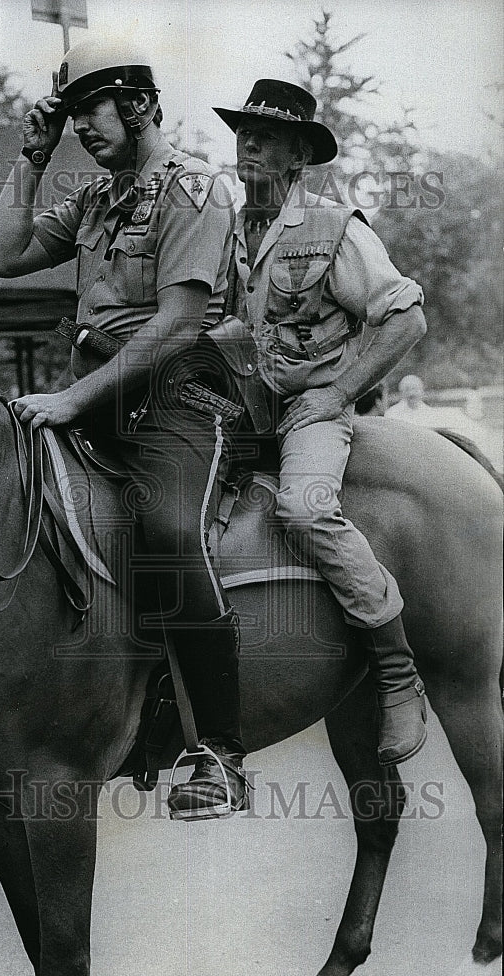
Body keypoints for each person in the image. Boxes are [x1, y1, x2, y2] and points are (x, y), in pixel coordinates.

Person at [0, 37, 248, 818]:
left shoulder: (194, 189)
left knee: (165, 530)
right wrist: (30, 160)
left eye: (88, 111)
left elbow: (177, 321)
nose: (79, 130)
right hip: (97, 393)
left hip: (178, 398)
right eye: (68, 119)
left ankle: (221, 753)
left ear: (135, 104)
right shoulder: (97, 199)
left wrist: (71, 400)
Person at [212, 79, 428, 767]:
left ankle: (395, 675)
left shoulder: (334, 229)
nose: (248, 142)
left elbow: (405, 315)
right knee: (153, 505)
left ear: (298, 156)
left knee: (304, 510)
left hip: (310, 411)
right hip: (236, 409)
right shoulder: (224, 229)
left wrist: (337, 392)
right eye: (244, 130)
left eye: (267, 136)